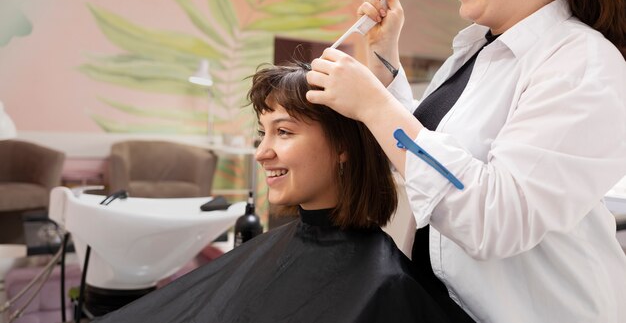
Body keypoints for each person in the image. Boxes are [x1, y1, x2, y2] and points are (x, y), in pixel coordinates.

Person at [306, 0, 626, 322]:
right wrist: (386, 60)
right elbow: (428, 155)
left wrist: (372, 104)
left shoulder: (583, 62)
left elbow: (494, 217)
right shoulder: (479, 50)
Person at [94, 62, 471, 323]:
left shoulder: (385, 285)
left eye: (284, 132)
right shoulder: (280, 248)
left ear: (343, 147)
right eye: (263, 133)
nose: (261, 152)